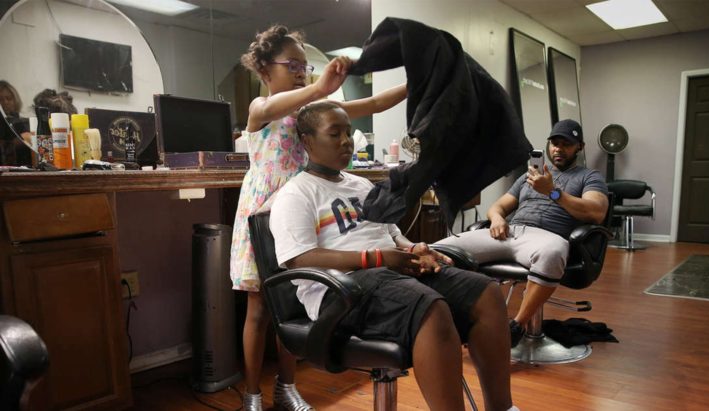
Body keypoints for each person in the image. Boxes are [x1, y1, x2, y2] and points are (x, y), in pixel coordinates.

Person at [269, 101, 518, 411]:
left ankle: (502, 407)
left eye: (348, 133)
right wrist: (376, 259)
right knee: (431, 308)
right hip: (342, 291)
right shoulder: (297, 193)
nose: (346, 141)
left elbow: (393, 235)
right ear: (307, 140)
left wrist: (415, 250)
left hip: (389, 272)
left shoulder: (362, 185)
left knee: (486, 293)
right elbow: (299, 258)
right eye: (334, 134)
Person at [230, 25, 407, 411]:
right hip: (265, 215)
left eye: (304, 65)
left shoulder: (313, 113)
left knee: (292, 299)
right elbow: (296, 100)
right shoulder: (260, 110)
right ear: (264, 70)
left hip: (305, 212)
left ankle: (286, 386)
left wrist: (417, 85)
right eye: (292, 64)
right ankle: (252, 394)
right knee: (261, 309)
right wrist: (321, 88)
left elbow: (374, 104)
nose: (301, 71)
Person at [435, 119, 609, 347]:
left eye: (566, 144)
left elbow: (596, 212)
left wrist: (553, 192)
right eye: (555, 143)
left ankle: (516, 326)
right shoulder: (528, 177)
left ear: (580, 147)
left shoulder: (589, 177)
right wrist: (497, 218)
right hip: (509, 232)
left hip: (545, 237)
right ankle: (451, 321)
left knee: (554, 252)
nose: (558, 149)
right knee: (435, 250)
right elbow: (498, 206)